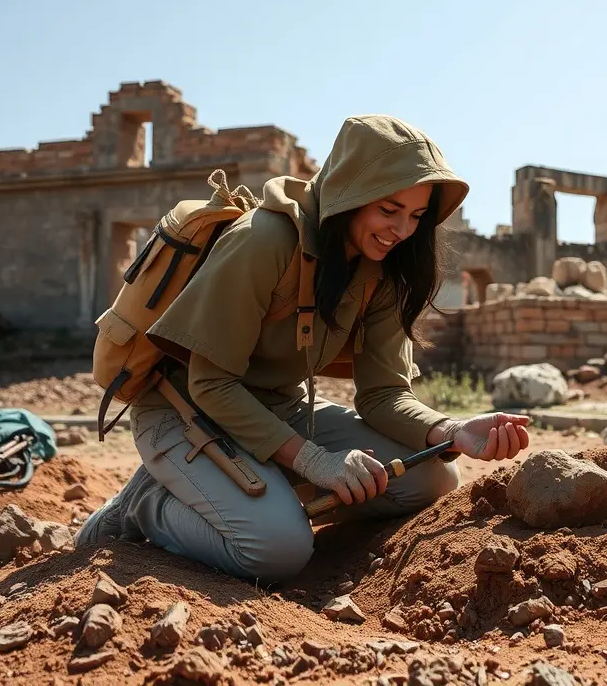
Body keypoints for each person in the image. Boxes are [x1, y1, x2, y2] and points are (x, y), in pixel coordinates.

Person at [75, 115, 531, 581]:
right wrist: (315, 462)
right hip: (184, 412)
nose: (402, 230)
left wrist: (452, 430)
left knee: (431, 479)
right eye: (389, 209)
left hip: (277, 409)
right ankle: (145, 504)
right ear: (350, 190)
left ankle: (255, 501)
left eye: (416, 216)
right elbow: (210, 384)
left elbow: (383, 394)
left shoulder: (384, 269)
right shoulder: (263, 240)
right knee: (276, 551)